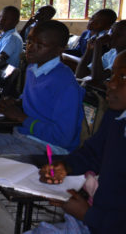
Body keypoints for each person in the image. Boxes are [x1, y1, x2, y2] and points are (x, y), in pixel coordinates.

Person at [0, 21, 85, 174]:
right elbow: (31, 99)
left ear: (59, 49)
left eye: (40, 45)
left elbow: (64, 138)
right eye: (29, 41)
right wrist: (15, 102)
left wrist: (21, 118)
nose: (30, 48)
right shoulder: (33, 68)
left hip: (48, 147)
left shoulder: (65, 84)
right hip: (23, 135)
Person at [33, 50, 126, 234]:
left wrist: (88, 215)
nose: (111, 83)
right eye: (112, 74)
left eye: (123, 76)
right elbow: (92, 153)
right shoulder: (117, 117)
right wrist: (65, 167)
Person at [75, 20, 126, 86]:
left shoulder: (123, 59)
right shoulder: (112, 53)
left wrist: (98, 47)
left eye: (119, 35)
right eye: (112, 32)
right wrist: (89, 50)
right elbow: (79, 74)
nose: (112, 36)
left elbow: (97, 79)